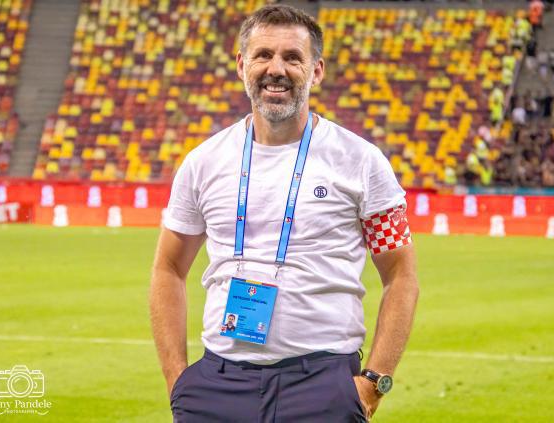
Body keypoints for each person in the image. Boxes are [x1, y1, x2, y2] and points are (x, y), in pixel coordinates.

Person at [149, 4, 419, 423]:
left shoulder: (362, 162)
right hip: (219, 383)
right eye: (263, 55)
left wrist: (372, 383)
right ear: (242, 65)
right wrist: (178, 380)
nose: (276, 69)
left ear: (316, 71)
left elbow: (401, 276)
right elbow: (168, 268)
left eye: (293, 57)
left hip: (322, 385)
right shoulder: (203, 163)